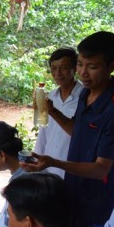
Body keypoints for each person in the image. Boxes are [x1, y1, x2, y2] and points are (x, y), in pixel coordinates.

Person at [21, 31, 114, 227]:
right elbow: (79, 132)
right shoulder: (87, 94)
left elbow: (101, 169)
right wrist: (52, 111)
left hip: (97, 199)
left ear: (112, 66)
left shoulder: (112, 107)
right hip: (74, 190)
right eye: (81, 64)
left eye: (92, 67)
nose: (83, 73)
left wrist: (55, 162)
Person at [33, 47, 83, 179]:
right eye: (54, 68)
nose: (58, 73)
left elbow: (81, 134)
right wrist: (36, 158)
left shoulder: (85, 97)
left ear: (75, 68)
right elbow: (44, 131)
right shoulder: (51, 97)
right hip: (48, 167)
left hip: (72, 168)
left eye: (64, 68)